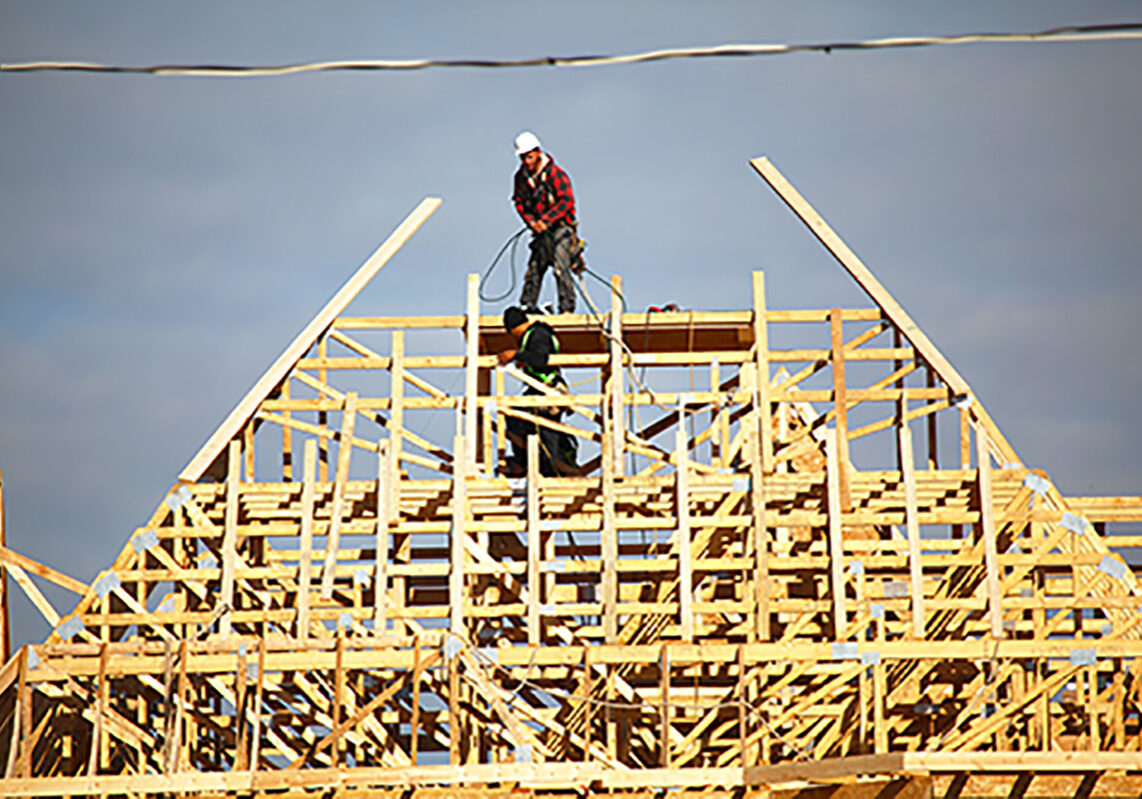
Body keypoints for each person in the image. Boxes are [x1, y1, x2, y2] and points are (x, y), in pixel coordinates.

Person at [497, 306, 578, 477]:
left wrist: (516, 355)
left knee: (547, 433)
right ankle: (529, 462)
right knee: (516, 418)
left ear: (513, 329)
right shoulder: (533, 335)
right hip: (539, 390)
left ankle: (551, 471)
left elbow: (540, 359)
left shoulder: (538, 333)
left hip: (547, 390)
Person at [511, 131, 580, 314]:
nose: (526, 161)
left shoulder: (555, 174)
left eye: (529, 157)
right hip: (540, 231)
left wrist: (547, 221)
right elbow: (519, 202)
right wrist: (532, 222)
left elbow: (567, 201)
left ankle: (566, 308)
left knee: (560, 266)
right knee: (535, 268)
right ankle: (527, 307)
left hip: (562, 228)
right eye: (523, 158)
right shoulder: (520, 179)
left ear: (537, 152)